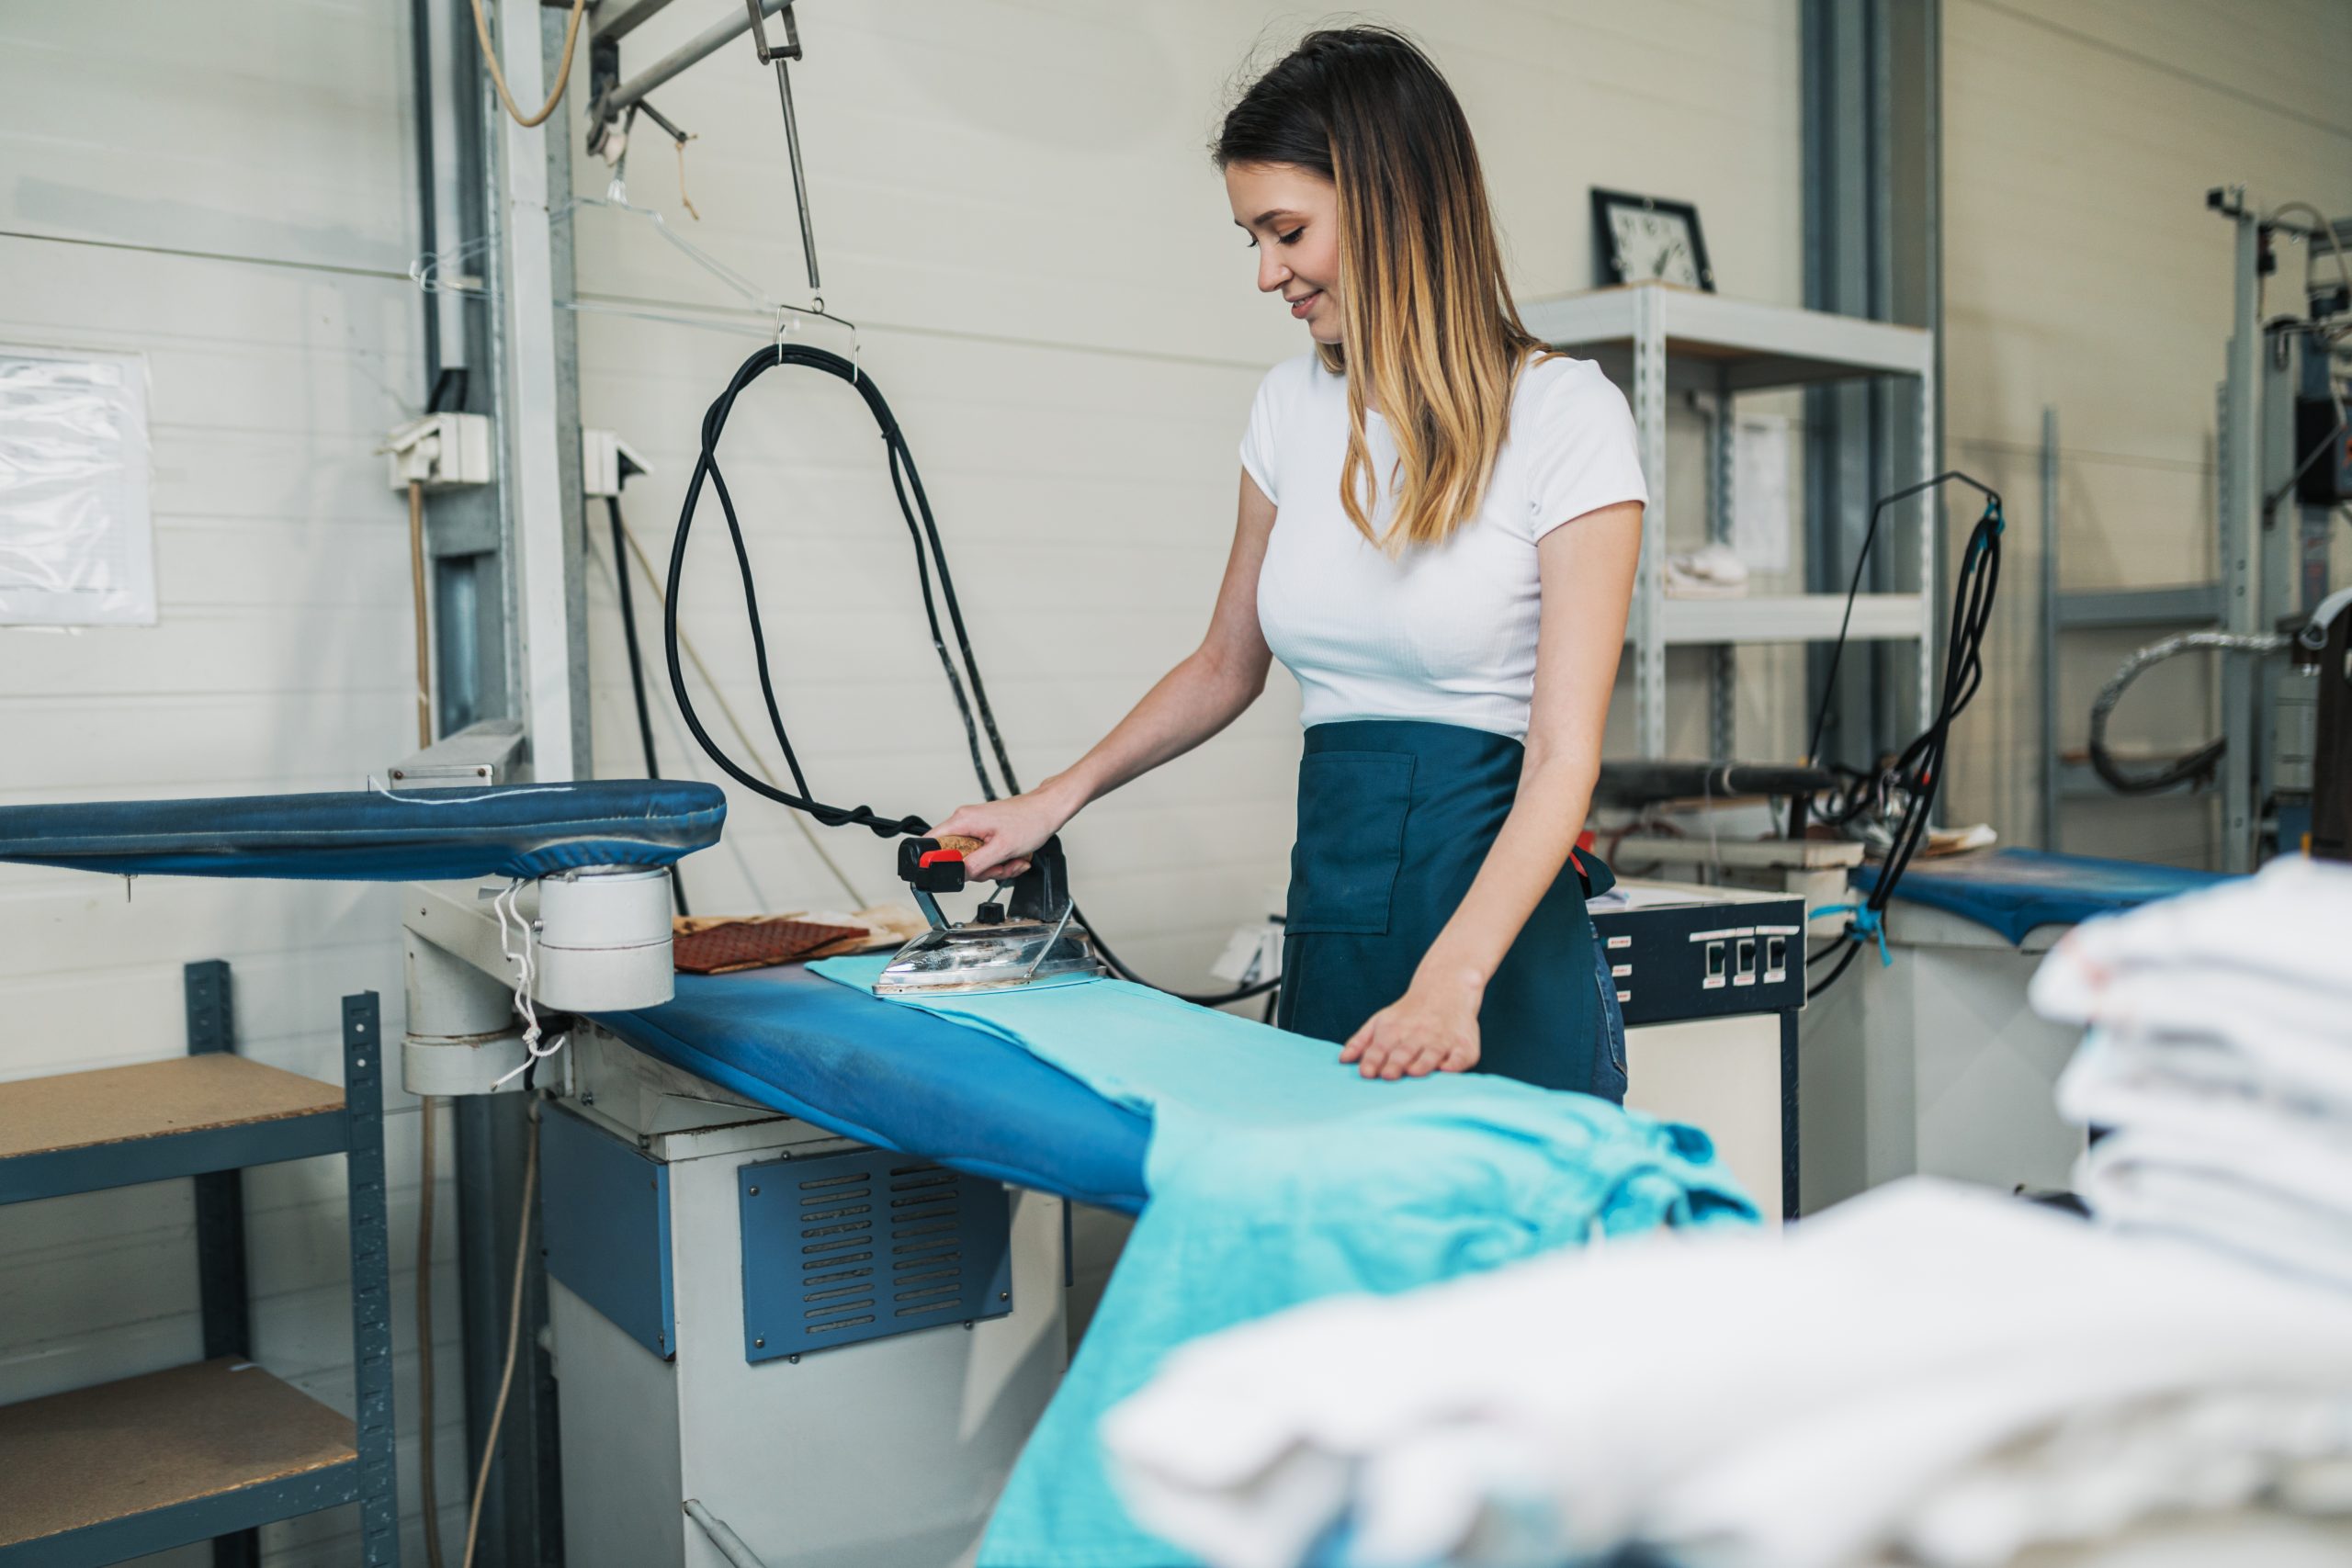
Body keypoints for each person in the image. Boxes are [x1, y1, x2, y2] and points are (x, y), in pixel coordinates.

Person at [935, 27, 1645, 1099]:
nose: (1267, 273)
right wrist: (1052, 801)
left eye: (1287, 231)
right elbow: (1227, 663)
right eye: (1251, 238)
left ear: (1391, 201)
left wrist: (1450, 983)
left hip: (1490, 950)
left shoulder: (1564, 416)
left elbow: (1560, 761)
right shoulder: (1287, 407)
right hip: (1334, 920)